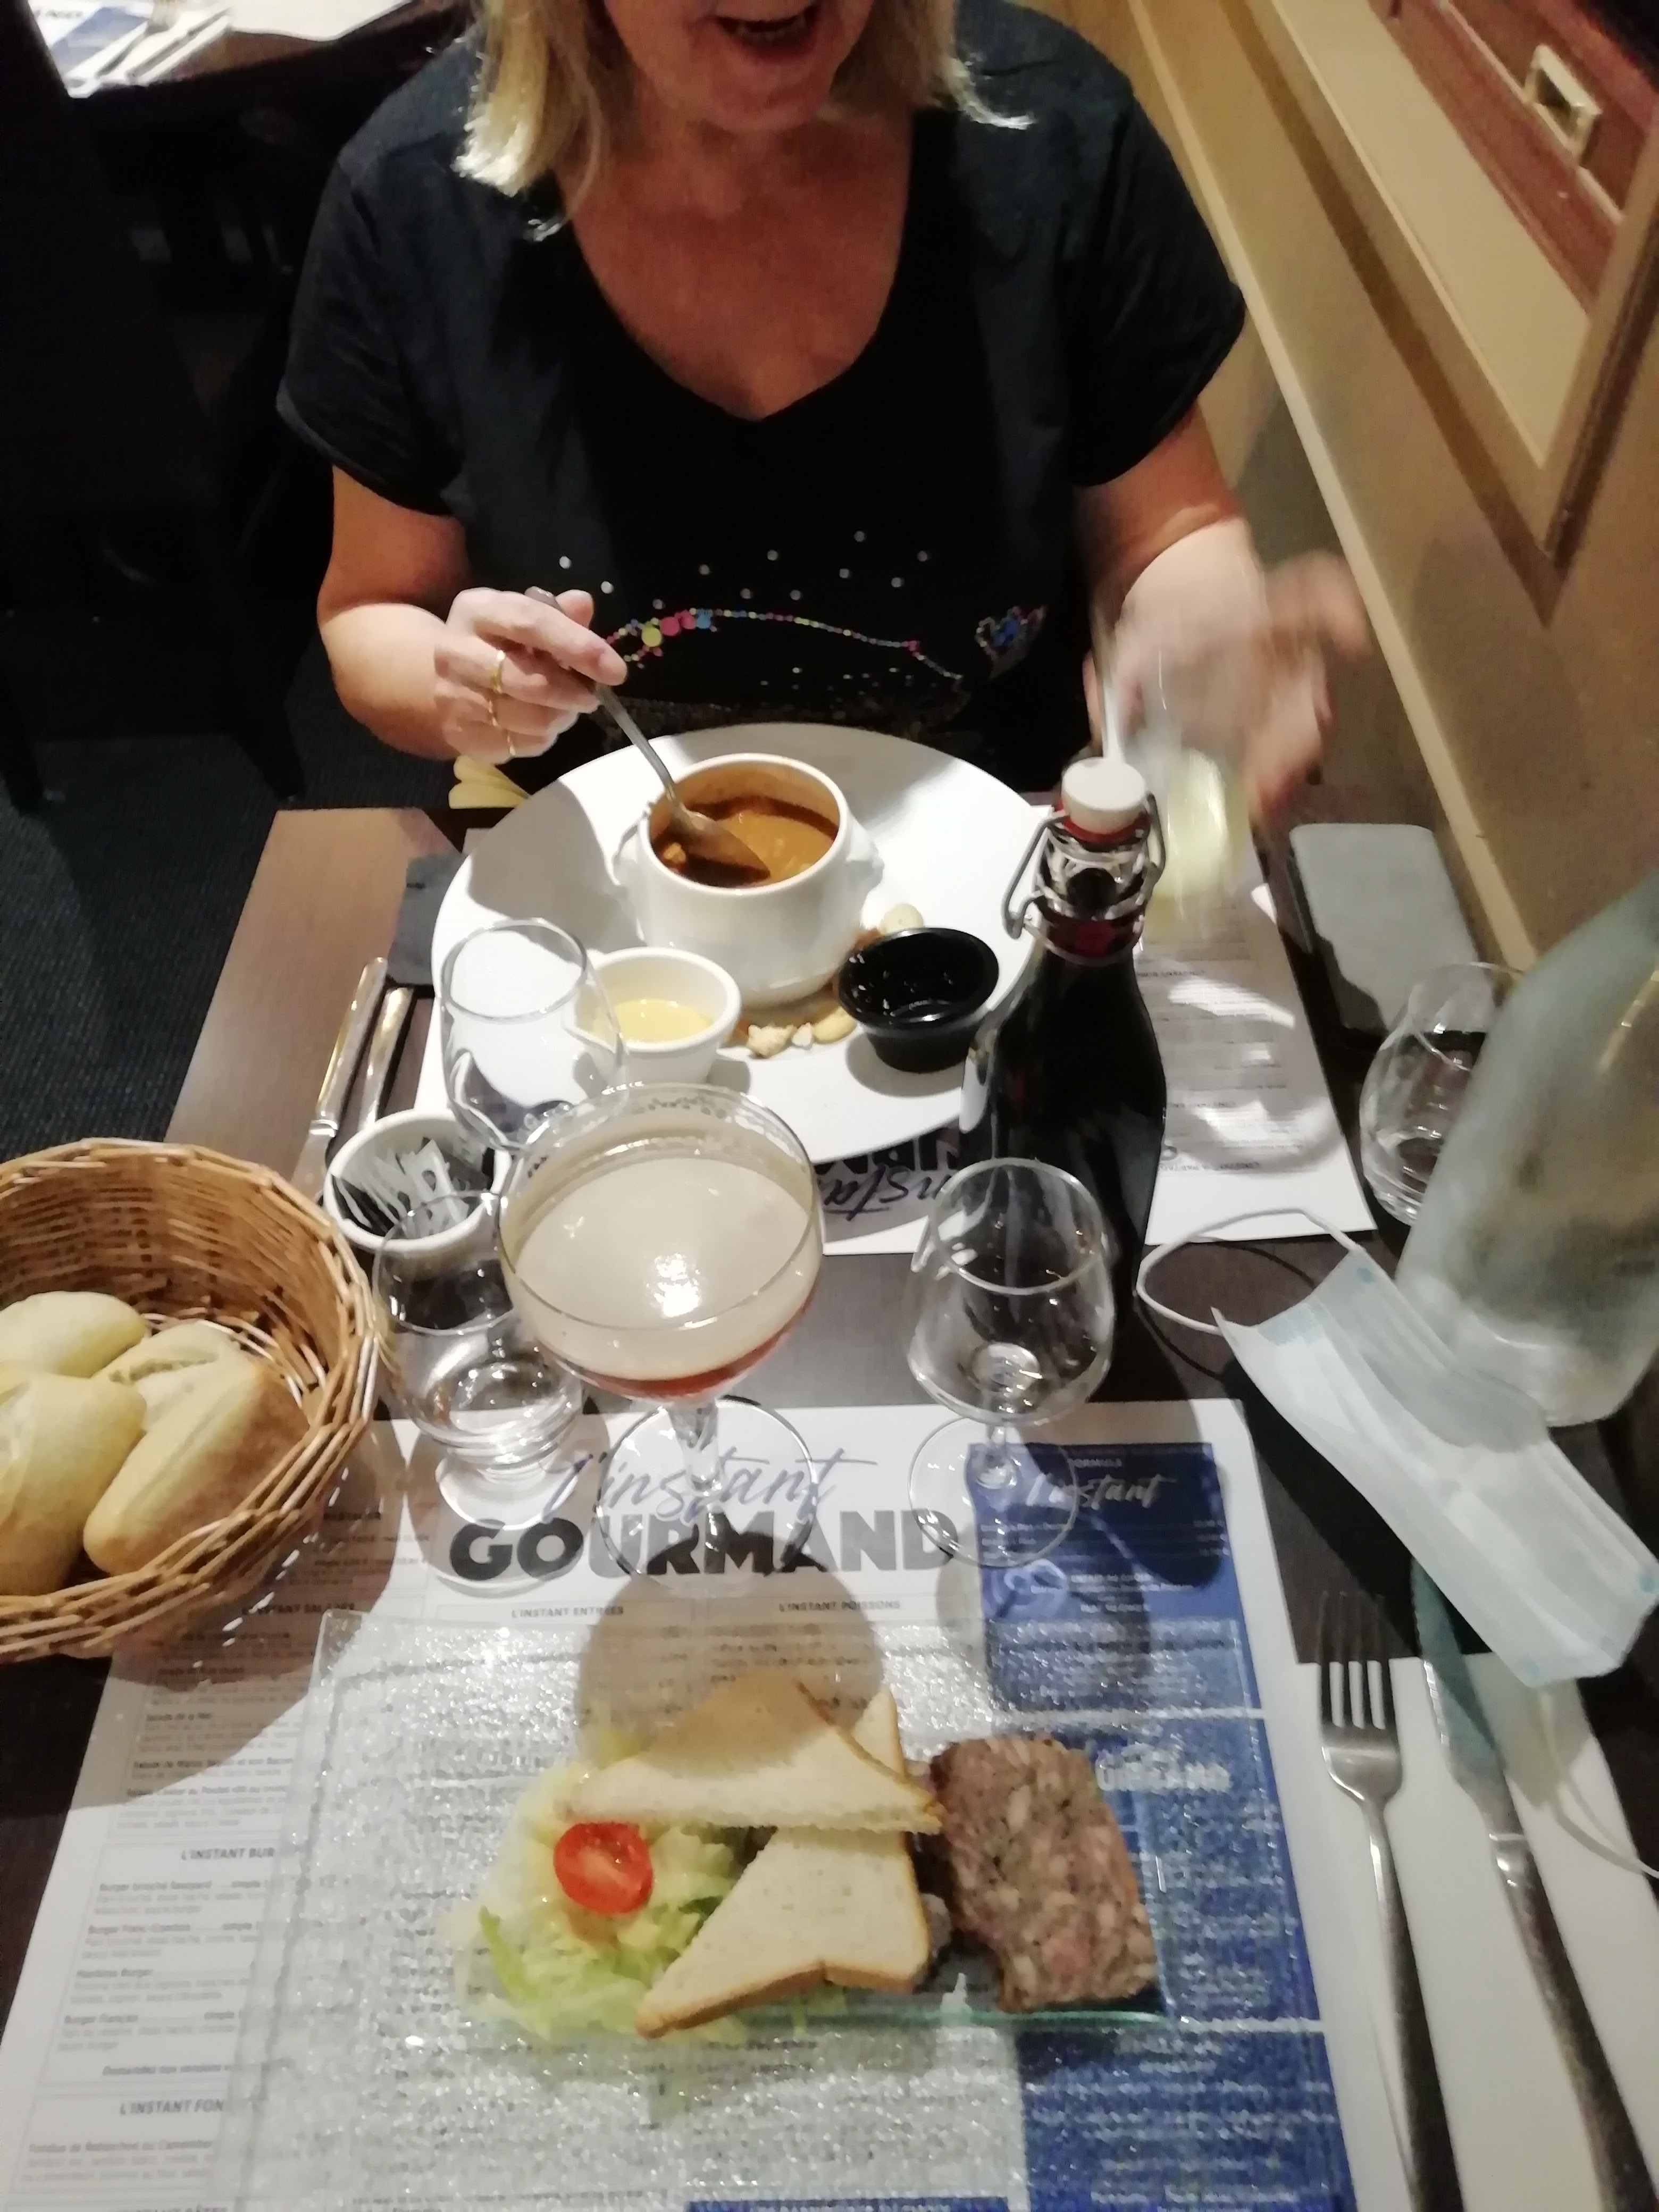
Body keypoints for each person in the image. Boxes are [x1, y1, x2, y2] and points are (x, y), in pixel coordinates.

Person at [281, 0, 1364, 810]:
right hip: (604, 866)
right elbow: (370, 616)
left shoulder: (1060, 136)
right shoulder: (409, 198)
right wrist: (461, 686)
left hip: (991, 845)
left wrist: (1198, 636)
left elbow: (1167, 532)